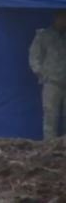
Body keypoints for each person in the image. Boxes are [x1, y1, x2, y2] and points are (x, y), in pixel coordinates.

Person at [29, 10, 66, 140]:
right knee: (51, 116)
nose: (64, 21)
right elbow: (34, 57)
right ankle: (49, 147)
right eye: (62, 18)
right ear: (56, 19)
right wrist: (43, 74)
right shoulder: (44, 36)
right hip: (52, 83)